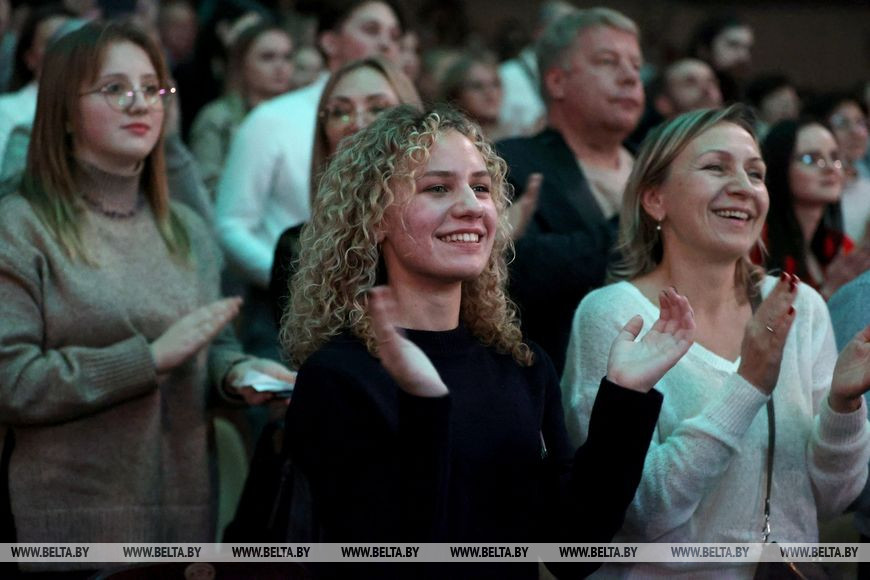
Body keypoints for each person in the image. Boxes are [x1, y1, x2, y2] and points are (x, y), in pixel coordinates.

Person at [283, 104, 695, 579]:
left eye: (480, 188)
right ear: (375, 219)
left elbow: (572, 553)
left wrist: (625, 398)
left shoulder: (521, 366)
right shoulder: (335, 376)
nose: (471, 206)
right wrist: (425, 402)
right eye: (437, 188)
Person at [0, 21, 294, 573]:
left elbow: (209, 347)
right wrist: (148, 360)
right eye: (114, 88)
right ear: (64, 111)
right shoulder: (19, 226)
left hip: (183, 526)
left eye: (152, 87)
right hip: (69, 537)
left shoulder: (185, 228)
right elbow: (11, 381)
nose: (140, 103)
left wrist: (239, 375)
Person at [561, 105, 870, 577]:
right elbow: (638, 514)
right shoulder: (615, 316)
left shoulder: (799, 306)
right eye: (716, 167)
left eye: (755, 173)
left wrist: (844, 409)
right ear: (655, 199)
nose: (744, 187)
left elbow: (832, 500)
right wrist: (747, 386)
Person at [216, 0, 403, 290]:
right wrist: (299, 284)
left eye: (394, 35)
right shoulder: (273, 118)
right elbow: (230, 225)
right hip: (289, 299)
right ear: (329, 42)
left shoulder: (407, 117)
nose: (386, 44)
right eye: (371, 30)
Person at [497, 7, 645, 374]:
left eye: (636, 65)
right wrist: (651, 225)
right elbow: (519, 269)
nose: (630, 76)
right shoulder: (510, 162)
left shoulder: (658, 167)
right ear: (557, 82)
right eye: (608, 61)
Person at [269, 56, 421, 322]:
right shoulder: (297, 249)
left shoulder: (444, 233)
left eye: (378, 108)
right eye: (340, 112)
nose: (358, 123)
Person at [760, 118, 870, 298]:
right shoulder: (759, 244)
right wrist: (830, 293)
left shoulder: (838, 244)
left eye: (834, 157)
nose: (830, 168)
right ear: (780, 167)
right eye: (810, 159)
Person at [190, 21, 294, 198]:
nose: (280, 66)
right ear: (242, 64)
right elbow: (204, 188)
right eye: (267, 57)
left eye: (287, 57)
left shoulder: (301, 116)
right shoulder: (217, 118)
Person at [438, 51, 509, 141]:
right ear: (456, 94)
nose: (490, 93)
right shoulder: (447, 139)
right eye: (477, 86)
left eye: (495, 84)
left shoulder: (518, 132)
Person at [688, 14, 754, 103]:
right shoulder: (683, 81)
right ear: (705, 47)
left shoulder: (738, 91)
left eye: (748, 48)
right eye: (733, 45)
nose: (744, 56)